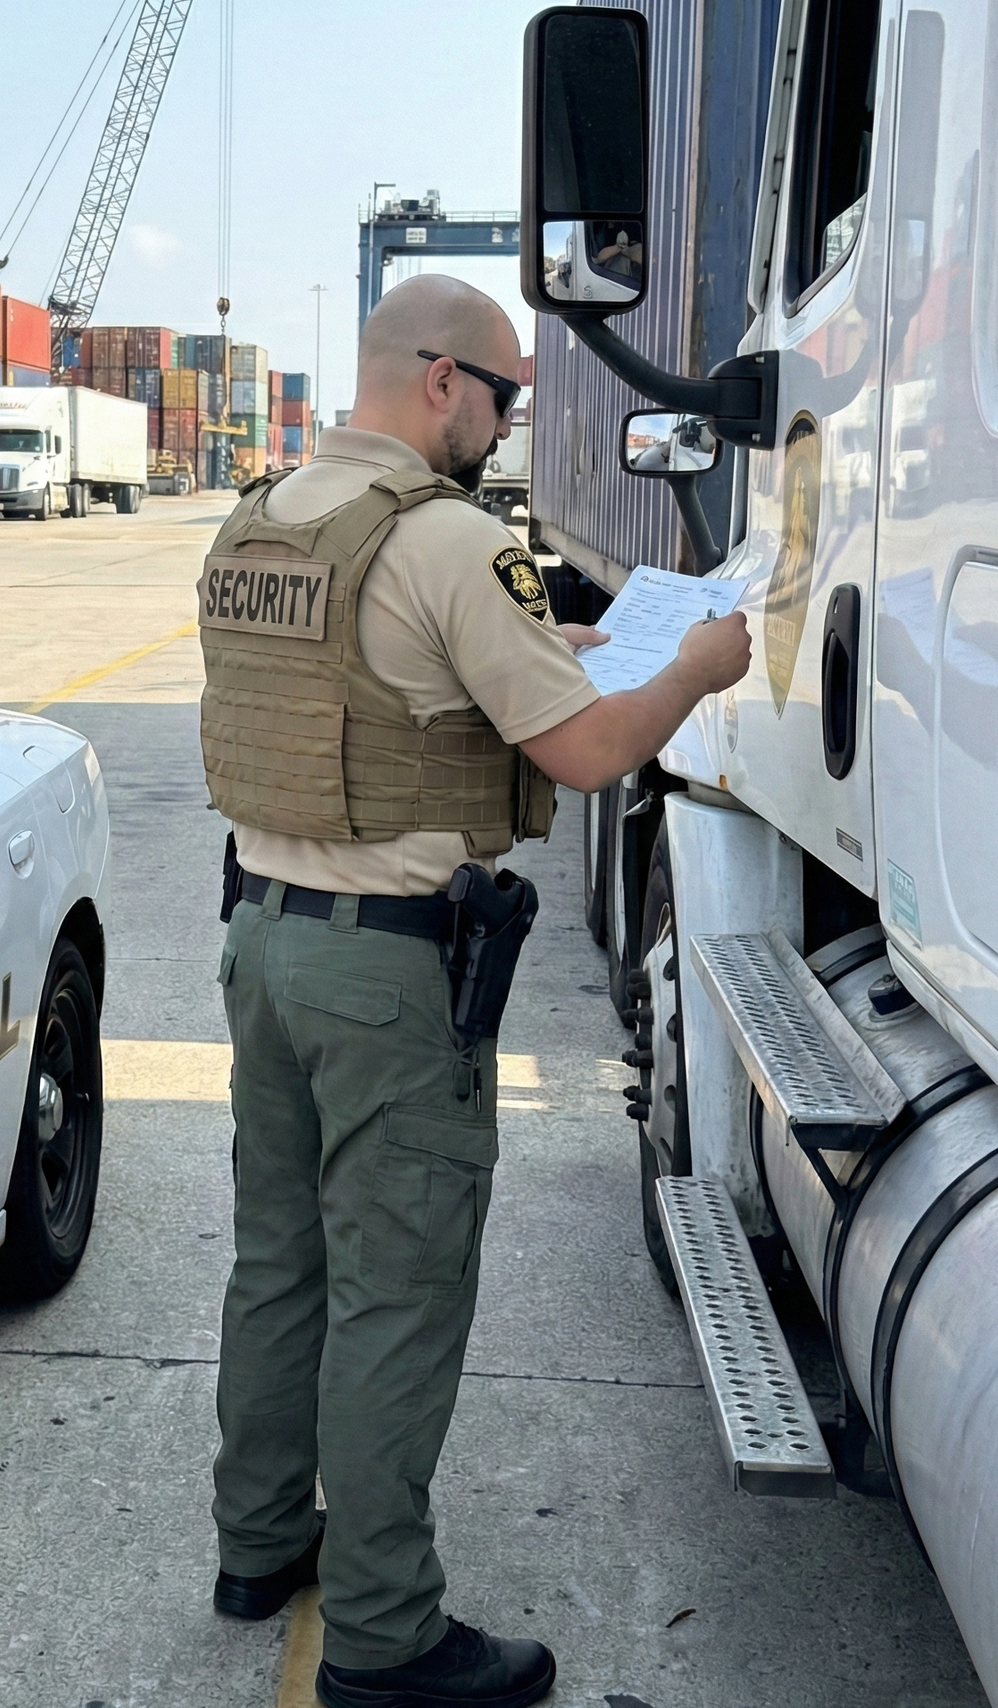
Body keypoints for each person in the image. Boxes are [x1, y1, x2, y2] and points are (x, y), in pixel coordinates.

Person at [198, 275, 750, 1708]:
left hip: (262, 940)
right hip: (388, 972)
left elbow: (372, 683)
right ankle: (383, 1635)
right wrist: (692, 669)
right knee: (398, 1292)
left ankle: (260, 1541)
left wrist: (556, 650)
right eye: (503, 398)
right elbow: (589, 754)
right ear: (441, 378)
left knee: (279, 1261)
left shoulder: (265, 517)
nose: (505, 428)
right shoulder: (450, 539)